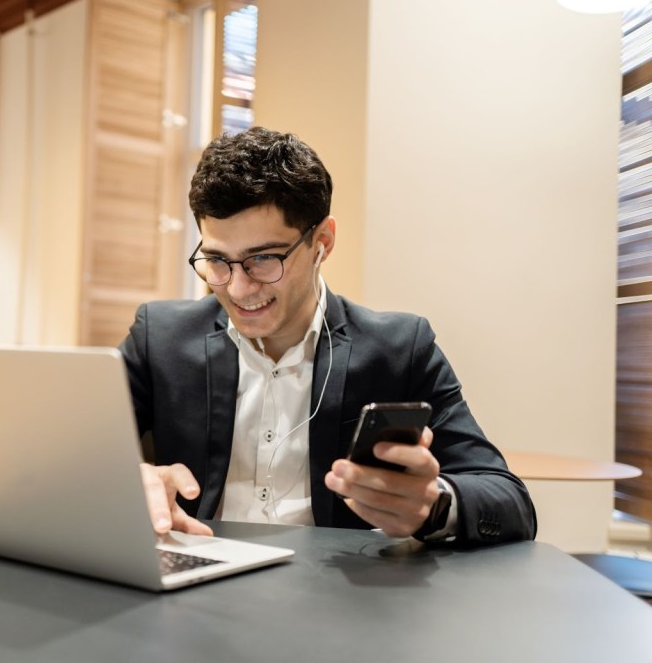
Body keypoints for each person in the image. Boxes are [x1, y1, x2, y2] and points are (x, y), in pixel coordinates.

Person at [119, 126, 536, 547]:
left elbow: (510, 502)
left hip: (338, 598)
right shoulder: (160, 338)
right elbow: (61, 461)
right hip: (195, 586)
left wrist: (434, 505)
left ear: (323, 242)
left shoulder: (400, 348)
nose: (239, 288)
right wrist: (127, 478)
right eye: (217, 260)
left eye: (263, 259)